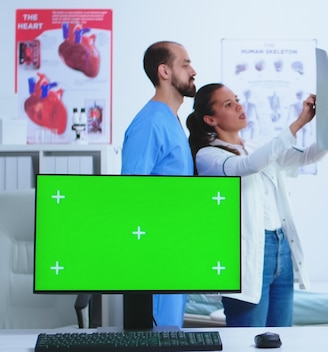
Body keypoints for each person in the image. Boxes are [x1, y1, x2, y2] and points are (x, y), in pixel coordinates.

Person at [186, 83, 328, 327]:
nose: (239, 106)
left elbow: (308, 156)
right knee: (247, 339)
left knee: (281, 337)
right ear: (211, 119)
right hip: (247, 253)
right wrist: (298, 123)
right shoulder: (208, 156)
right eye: (228, 105)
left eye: (237, 99)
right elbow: (246, 166)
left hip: (280, 246)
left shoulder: (255, 147)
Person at [121, 40, 197, 328]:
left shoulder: (172, 121)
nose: (194, 71)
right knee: (160, 338)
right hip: (154, 256)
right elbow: (131, 194)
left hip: (173, 251)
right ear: (164, 71)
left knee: (173, 333)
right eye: (186, 63)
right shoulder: (150, 123)